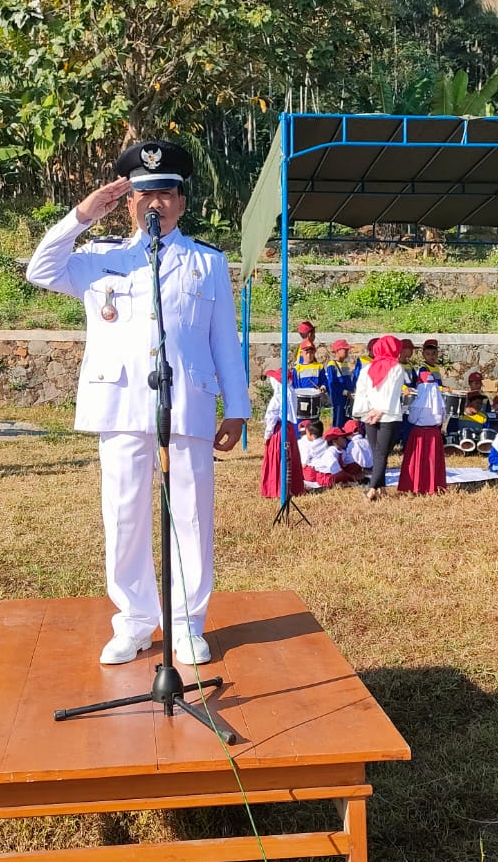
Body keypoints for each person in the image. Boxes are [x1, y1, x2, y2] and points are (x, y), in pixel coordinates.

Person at [25, 140, 251, 666]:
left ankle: (187, 622)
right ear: (127, 201)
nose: (157, 203)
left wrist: (236, 407)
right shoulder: (101, 259)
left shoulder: (205, 262)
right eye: (146, 193)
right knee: (124, 513)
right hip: (121, 401)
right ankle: (134, 620)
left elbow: (224, 338)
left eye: (167, 193)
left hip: (188, 401)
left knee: (191, 514)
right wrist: (81, 216)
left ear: (183, 201)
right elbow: (40, 269)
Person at [352, 334, 406, 501]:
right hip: (387, 414)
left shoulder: (367, 368)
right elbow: (393, 393)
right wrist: (380, 409)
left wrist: (367, 410)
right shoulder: (396, 368)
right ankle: (375, 488)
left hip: (371, 414)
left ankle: (375, 487)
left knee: (378, 452)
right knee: (380, 453)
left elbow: (361, 392)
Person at [398, 370, 447, 495]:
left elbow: (411, 419)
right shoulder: (440, 403)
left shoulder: (418, 404)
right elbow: (442, 419)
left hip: (419, 434)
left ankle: (415, 485)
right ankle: (433, 486)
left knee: (416, 461)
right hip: (434, 434)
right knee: (432, 461)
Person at [260, 367, 304, 500]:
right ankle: (292, 487)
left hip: (278, 431)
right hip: (289, 429)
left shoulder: (278, 398)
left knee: (278, 458)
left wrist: (267, 435)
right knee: (289, 457)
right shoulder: (291, 394)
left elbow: (272, 418)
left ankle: (276, 488)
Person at [323, 338, 360, 428]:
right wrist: (346, 392)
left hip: (347, 400)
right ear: (337, 351)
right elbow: (332, 385)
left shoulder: (345, 365)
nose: (347, 352)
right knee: (338, 425)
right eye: (345, 350)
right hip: (338, 401)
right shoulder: (332, 365)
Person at [298, 418, 345, 489]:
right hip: (325, 471)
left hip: (311, 473)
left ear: (310, 434)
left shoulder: (310, 447)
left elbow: (304, 464)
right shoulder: (326, 442)